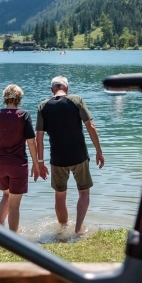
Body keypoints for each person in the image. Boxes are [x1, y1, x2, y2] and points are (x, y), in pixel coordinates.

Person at [35, 75, 104, 235]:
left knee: (60, 195)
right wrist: (99, 151)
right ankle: (78, 229)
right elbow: (91, 126)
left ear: (52, 89)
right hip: (79, 155)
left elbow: (39, 136)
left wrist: (40, 161)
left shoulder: (43, 106)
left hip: (57, 158)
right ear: (67, 87)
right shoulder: (76, 100)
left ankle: (63, 229)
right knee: (84, 192)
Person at [0, 84, 42, 232]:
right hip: (17, 164)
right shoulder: (24, 115)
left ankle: (0, 231)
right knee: (14, 204)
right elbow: (31, 141)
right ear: (19, 99)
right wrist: (36, 162)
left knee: (6, 195)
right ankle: (13, 239)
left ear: (4, 98)